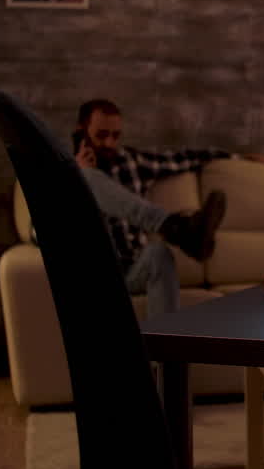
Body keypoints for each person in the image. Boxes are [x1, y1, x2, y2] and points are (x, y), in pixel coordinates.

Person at [72, 99, 229, 319]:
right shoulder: (65, 171)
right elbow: (40, 230)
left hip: (133, 272)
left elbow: (184, 158)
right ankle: (178, 228)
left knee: (158, 253)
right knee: (87, 177)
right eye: (101, 135)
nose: (109, 143)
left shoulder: (131, 162)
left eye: (116, 136)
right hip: (98, 275)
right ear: (81, 131)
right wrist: (75, 178)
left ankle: (165, 340)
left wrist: (238, 156)